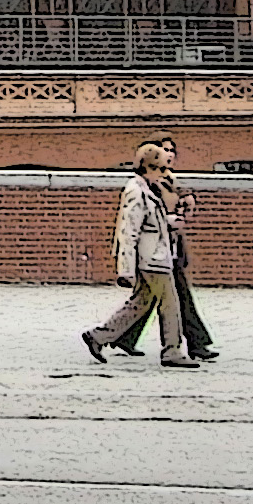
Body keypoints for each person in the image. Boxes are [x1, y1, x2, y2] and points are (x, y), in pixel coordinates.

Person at [102, 134, 219, 362]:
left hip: (166, 250)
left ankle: (115, 336)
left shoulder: (166, 179)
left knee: (146, 299)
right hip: (154, 254)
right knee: (173, 300)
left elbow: (170, 203)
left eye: (172, 150)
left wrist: (185, 201)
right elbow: (132, 228)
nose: (170, 154)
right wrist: (125, 267)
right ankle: (186, 346)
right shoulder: (143, 187)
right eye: (165, 150)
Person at [82, 143, 197, 369]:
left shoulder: (147, 189)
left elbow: (149, 225)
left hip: (154, 256)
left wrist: (170, 222)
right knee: (170, 304)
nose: (166, 174)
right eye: (162, 169)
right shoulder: (137, 192)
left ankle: (99, 336)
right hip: (152, 260)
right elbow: (128, 231)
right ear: (150, 168)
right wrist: (125, 269)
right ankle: (172, 350)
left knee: (141, 302)